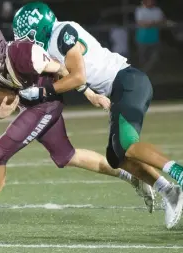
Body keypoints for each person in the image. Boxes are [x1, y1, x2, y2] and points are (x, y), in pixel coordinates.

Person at [0, 24, 154, 236]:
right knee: (67, 156)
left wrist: (89, 93)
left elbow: (63, 70)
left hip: (46, 102)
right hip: (28, 103)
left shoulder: (25, 53)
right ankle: (132, 176)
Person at [13, 2, 183, 229]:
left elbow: (77, 76)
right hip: (119, 89)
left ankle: (179, 174)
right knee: (117, 157)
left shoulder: (62, 33)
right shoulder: (54, 43)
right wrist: (91, 95)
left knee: (126, 144)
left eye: (28, 37)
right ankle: (170, 192)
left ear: (39, 28)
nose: (28, 44)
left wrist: (41, 92)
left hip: (128, 81)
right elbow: (70, 74)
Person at [135, 0, 166, 71]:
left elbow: (163, 21)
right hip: (142, 38)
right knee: (143, 57)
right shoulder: (140, 10)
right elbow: (140, 23)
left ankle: (148, 70)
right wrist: (154, 23)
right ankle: (143, 71)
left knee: (155, 56)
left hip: (155, 37)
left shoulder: (157, 10)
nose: (151, 2)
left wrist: (149, 23)